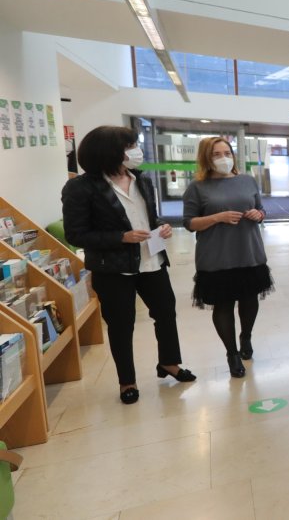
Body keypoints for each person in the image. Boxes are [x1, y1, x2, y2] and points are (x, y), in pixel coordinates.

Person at [61, 126, 196, 404]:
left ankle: (169, 363)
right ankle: (127, 382)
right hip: (113, 269)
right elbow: (75, 234)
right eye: (130, 145)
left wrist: (161, 228)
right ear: (110, 152)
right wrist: (121, 237)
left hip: (152, 260)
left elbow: (149, 217)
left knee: (166, 313)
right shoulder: (80, 187)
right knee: (122, 325)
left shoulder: (141, 179)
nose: (136, 150)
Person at [182, 137, 272, 378]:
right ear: (206, 159)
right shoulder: (197, 188)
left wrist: (259, 214)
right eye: (216, 154)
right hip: (217, 256)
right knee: (223, 305)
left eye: (226, 152)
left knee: (249, 299)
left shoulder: (247, 181)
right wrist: (216, 218)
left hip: (249, 251)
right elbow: (189, 222)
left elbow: (262, 209)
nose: (223, 158)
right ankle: (231, 353)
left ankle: (246, 337)